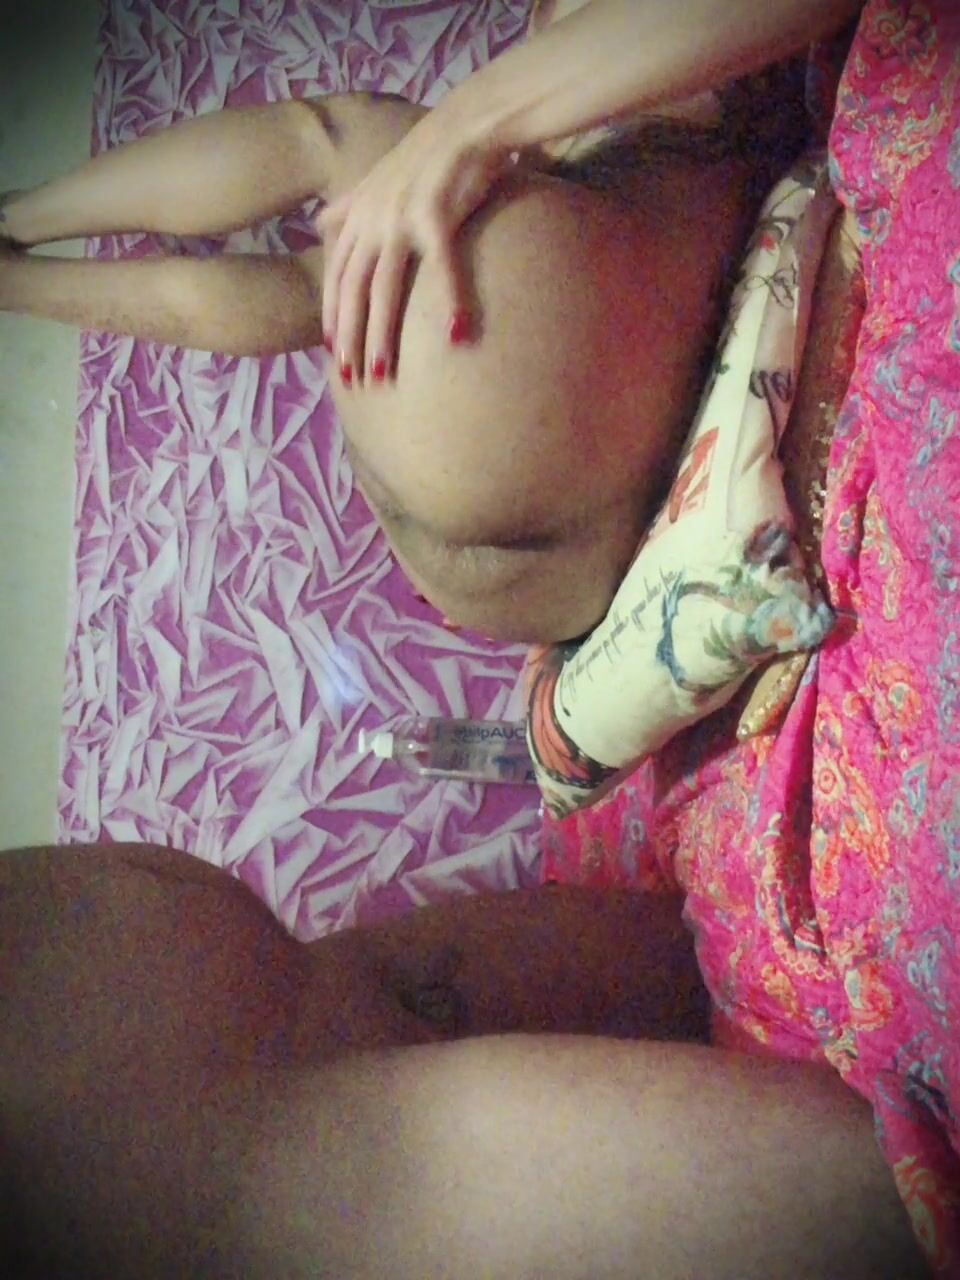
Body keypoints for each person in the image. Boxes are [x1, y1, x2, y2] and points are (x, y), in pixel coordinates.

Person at [0, 0, 951, 1272]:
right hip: (546, 442)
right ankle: (20, 240)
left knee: (332, 217)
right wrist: (468, 130)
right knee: (340, 178)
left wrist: (466, 131)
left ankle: (19, 238)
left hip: (520, 536)